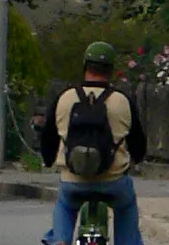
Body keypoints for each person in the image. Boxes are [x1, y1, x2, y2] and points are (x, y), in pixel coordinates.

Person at [37, 41, 148, 245]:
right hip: (113, 181)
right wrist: (136, 158)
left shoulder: (65, 98)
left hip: (74, 180)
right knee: (126, 206)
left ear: (85, 66)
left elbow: (49, 137)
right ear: (111, 70)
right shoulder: (122, 101)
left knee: (65, 204)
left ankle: (60, 240)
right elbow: (138, 142)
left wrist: (48, 159)